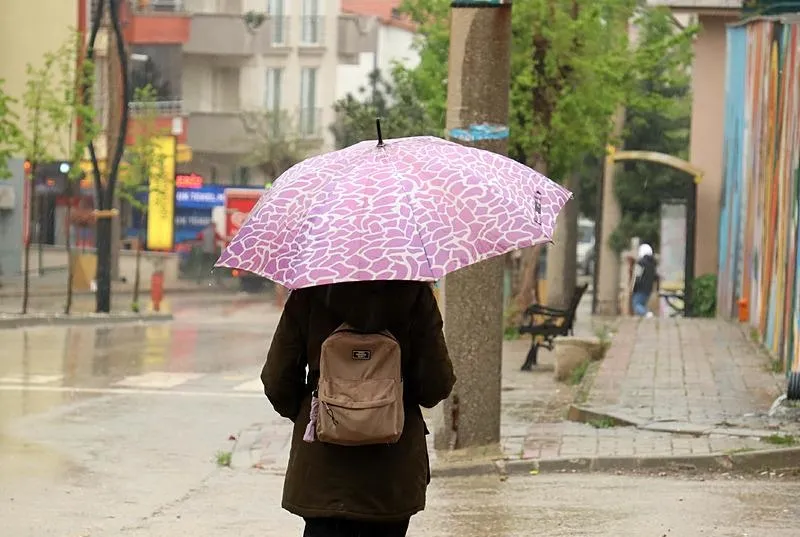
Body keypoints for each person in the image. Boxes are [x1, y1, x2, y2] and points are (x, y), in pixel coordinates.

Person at [262, 280, 456, 537]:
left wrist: (317, 412)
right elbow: (435, 386)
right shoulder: (414, 294)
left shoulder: (310, 291)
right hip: (391, 474)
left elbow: (277, 381)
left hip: (324, 470)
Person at [631, 243, 658, 317]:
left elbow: (637, 276)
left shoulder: (640, 263)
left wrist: (634, 288)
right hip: (648, 289)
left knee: (636, 305)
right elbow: (655, 277)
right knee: (642, 304)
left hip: (640, 288)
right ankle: (645, 315)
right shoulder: (653, 264)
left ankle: (647, 314)